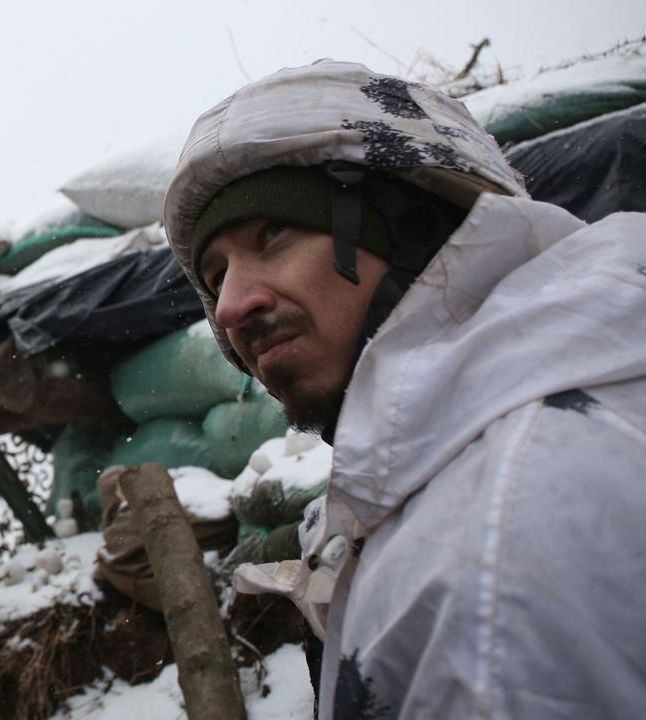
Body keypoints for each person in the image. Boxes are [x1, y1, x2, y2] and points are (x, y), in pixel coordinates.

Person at [163, 60, 646, 718]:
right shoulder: (454, 472)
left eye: (271, 233)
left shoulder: (504, 535)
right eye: (215, 277)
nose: (228, 307)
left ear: (413, 224)